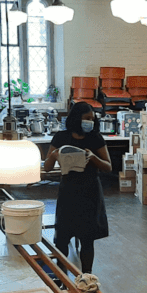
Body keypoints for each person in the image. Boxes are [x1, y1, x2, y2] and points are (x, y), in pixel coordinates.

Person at [44, 102, 111, 273]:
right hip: (68, 192)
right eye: (87, 118)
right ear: (76, 118)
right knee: (61, 239)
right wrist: (54, 155)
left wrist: (93, 157)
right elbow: (47, 167)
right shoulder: (61, 137)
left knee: (87, 239)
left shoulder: (95, 138)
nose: (90, 122)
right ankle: (62, 278)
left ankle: (86, 277)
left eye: (92, 119)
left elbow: (108, 166)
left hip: (90, 192)